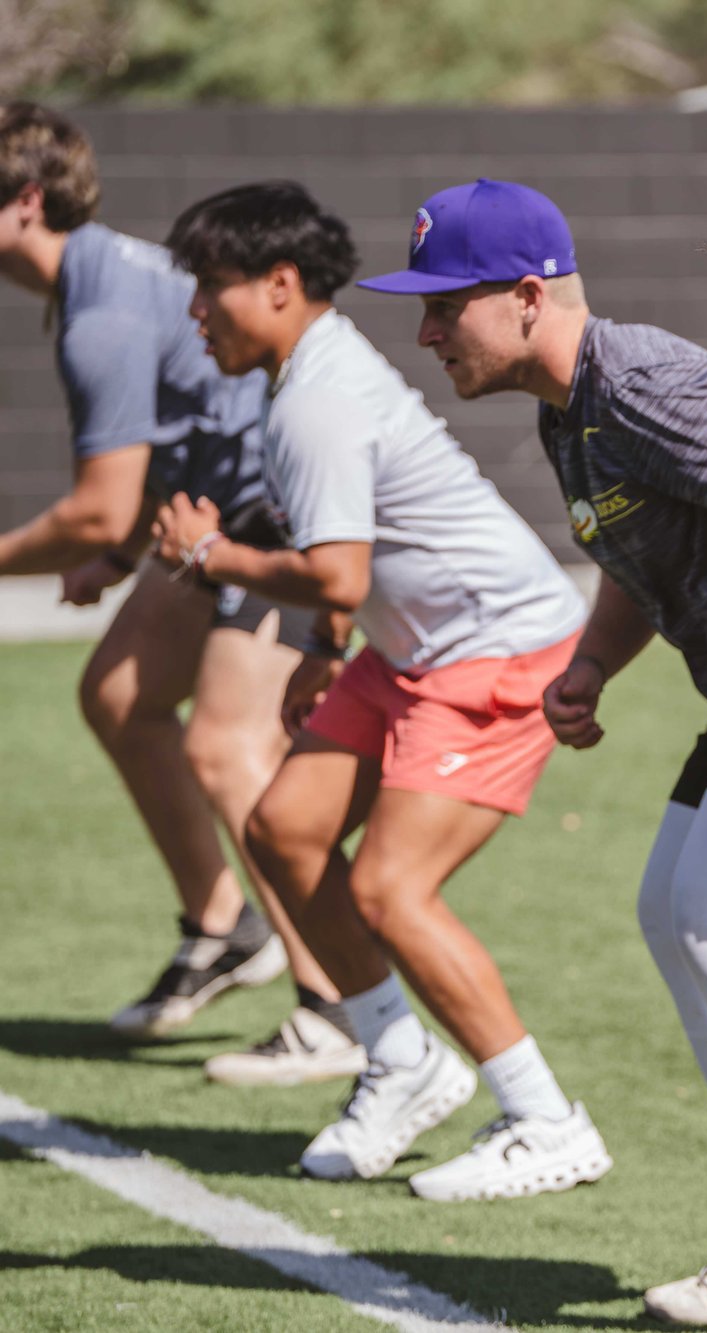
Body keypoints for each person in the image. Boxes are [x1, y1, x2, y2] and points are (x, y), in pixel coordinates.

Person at [354, 178, 707, 1327]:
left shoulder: (639, 378)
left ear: (525, 297)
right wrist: (591, 664)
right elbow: (635, 545)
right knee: (676, 917)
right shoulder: (570, 407)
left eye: (442, 304)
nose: (423, 332)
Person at [155, 180, 612, 1202]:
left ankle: (545, 1117)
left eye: (209, 287)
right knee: (283, 827)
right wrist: (328, 640)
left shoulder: (315, 396)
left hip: (496, 649)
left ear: (278, 286)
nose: (194, 310)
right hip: (414, 648)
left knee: (388, 890)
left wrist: (210, 555)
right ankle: (400, 1058)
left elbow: (338, 571)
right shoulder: (307, 374)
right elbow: (351, 568)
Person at [0, 101, 363, 1084]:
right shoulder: (93, 281)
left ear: (26, 202)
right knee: (118, 694)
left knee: (229, 743)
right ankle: (223, 926)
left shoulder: (99, 311)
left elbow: (94, 507)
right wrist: (118, 554)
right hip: (213, 514)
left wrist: (94, 542)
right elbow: (167, 445)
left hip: (276, 518)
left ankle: (339, 1000)